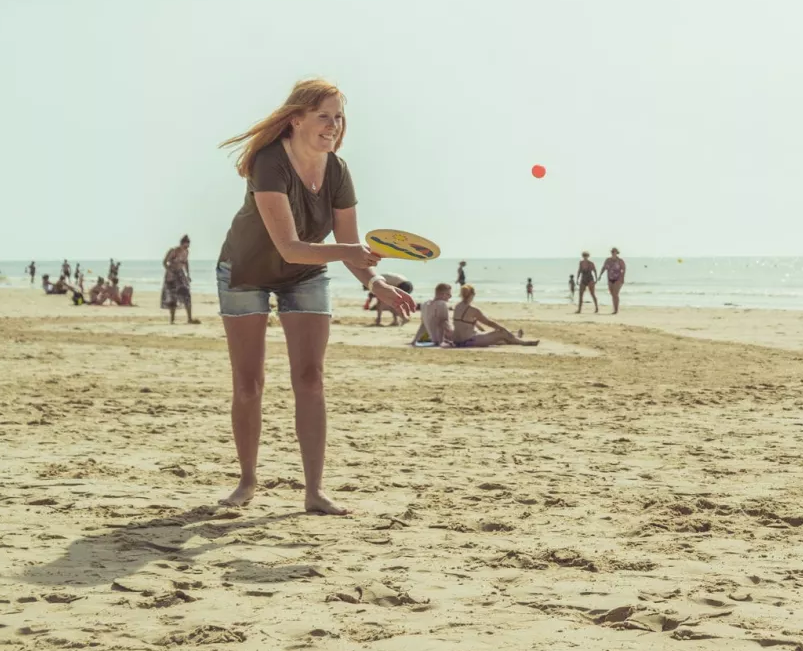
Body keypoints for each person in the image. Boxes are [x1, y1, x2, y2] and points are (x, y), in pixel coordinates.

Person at [214, 78, 414, 515]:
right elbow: (289, 245)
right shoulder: (269, 161)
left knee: (310, 379)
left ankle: (314, 492)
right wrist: (351, 254)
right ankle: (247, 482)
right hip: (245, 270)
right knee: (249, 385)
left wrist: (376, 283)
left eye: (338, 117)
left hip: (305, 274)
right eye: (324, 115)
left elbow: (348, 242)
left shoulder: (338, 170)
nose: (333, 125)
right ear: (296, 118)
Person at [453, 285, 535, 346]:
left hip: (457, 341)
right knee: (501, 333)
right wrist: (503, 329)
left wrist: (484, 331)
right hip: (469, 341)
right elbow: (489, 323)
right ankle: (523, 342)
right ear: (472, 295)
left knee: (499, 339)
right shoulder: (473, 310)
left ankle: (515, 337)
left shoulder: (457, 307)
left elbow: (466, 323)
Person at [162, 235, 198, 325]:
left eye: (188, 246)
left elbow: (186, 263)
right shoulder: (173, 251)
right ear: (181, 244)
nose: (186, 247)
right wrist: (170, 270)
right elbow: (164, 262)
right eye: (185, 246)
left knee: (186, 295)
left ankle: (189, 318)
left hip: (181, 275)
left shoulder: (186, 252)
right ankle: (172, 320)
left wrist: (188, 275)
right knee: (172, 298)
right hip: (171, 276)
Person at [602, 248, 626, 314]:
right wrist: (600, 275)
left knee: (615, 294)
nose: (613, 253)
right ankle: (614, 308)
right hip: (610, 278)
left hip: (618, 279)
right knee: (612, 294)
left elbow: (623, 269)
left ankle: (616, 310)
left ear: (617, 252)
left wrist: (622, 278)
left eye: (614, 252)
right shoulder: (608, 260)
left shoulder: (620, 261)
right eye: (612, 251)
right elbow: (604, 267)